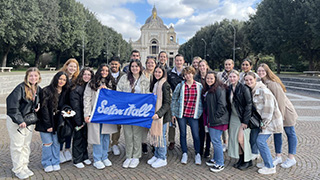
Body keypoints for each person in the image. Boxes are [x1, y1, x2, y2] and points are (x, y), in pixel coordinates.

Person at [257, 63, 298, 168]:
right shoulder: (262, 82)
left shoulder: (273, 84)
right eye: (259, 71)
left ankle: (291, 158)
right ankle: (278, 156)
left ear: (267, 71)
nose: (261, 72)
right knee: (277, 133)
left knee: (290, 133)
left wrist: (280, 117)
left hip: (285, 112)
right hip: (277, 113)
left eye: (263, 71)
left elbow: (280, 101)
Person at [244, 72, 283, 175]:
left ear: (255, 79)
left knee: (260, 141)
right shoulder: (252, 90)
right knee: (259, 141)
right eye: (246, 80)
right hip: (264, 121)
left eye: (250, 80)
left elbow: (269, 109)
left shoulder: (263, 90)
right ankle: (267, 161)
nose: (248, 82)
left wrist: (263, 124)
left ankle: (270, 166)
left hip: (270, 121)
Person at [6, 67, 41, 179]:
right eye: (31, 75)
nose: (33, 78)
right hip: (17, 121)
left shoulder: (37, 88)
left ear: (39, 77)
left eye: (35, 75)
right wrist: (19, 120)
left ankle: (24, 166)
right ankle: (17, 169)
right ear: (26, 77)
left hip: (28, 121)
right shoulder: (20, 88)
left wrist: (36, 107)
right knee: (17, 146)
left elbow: (32, 103)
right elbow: (12, 105)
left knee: (26, 145)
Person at [117, 59, 150, 168]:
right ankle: (128, 156)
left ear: (140, 67)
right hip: (126, 111)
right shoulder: (123, 78)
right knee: (127, 134)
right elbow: (118, 92)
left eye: (136, 66)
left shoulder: (145, 80)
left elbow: (147, 95)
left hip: (138, 111)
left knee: (137, 134)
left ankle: (136, 156)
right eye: (132, 66)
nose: (134, 68)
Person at [83, 64, 118, 170]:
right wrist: (86, 114)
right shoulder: (91, 83)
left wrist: (107, 90)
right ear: (99, 71)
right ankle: (97, 158)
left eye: (107, 70)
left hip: (107, 114)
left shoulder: (111, 83)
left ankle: (104, 156)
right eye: (102, 70)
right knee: (97, 137)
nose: (104, 72)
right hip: (95, 113)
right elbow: (87, 99)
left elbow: (115, 97)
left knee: (106, 136)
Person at [35, 71, 70, 173]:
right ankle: (47, 163)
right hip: (46, 122)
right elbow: (44, 109)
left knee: (56, 143)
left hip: (58, 122)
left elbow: (66, 105)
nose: (61, 81)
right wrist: (48, 125)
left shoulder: (65, 92)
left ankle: (55, 162)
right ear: (56, 78)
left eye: (64, 79)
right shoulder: (47, 90)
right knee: (47, 143)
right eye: (60, 79)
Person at [171, 66, 203, 165]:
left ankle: (197, 153)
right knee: (183, 134)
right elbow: (174, 99)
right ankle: (184, 152)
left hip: (193, 114)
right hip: (182, 114)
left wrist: (200, 112)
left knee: (195, 135)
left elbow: (202, 101)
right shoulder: (180, 86)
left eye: (189, 73)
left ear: (193, 74)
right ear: (184, 76)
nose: (188, 76)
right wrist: (173, 113)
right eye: (185, 74)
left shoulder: (199, 86)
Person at [202, 71, 229, 172]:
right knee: (215, 140)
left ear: (215, 79)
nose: (209, 80)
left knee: (216, 141)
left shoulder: (219, 89)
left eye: (211, 78)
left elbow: (222, 105)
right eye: (207, 78)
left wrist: (215, 118)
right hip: (212, 119)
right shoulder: (209, 89)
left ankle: (220, 163)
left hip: (218, 120)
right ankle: (216, 159)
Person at [227, 70, 253, 170]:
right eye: (230, 77)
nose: (232, 79)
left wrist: (245, 121)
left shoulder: (244, 88)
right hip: (233, 116)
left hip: (242, 117)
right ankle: (241, 159)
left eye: (234, 77)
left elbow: (249, 105)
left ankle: (248, 160)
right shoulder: (229, 88)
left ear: (238, 77)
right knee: (235, 140)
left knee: (241, 139)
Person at [147, 65, 172, 168]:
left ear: (163, 73)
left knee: (161, 136)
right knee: (156, 135)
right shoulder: (156, 84)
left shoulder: (165, 85)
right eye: (156, 72)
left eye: (159, 72)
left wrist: (159, 113)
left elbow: (167, 103)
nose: (157, 74)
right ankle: (157, 155)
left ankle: (162, 157)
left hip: (162, 116)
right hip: (155, 114)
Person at [69, 67, 94, 168]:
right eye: (85, 74)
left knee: (85, 138)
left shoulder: (89, 86)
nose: (86, 76)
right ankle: (77, 159)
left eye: (89, 75)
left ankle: (84, 156)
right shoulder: (76, 88)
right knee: (78, 138)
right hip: (78, 118)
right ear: (81, 75)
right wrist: (79, 121)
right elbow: (76, 107)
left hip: (86, 117)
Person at [59, 58, 80, 163]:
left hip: (72, 107)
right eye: (71, 66)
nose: (72, 68)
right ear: (66, 66)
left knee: (70, 129)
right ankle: (60, 150)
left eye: (75, 67)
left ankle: (67, 149)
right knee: (62, 129)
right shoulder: (61, 76)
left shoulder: (76, 79)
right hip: (62, 106)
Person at [167, 54, 185, 150]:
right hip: (173, 100)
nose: (178, 62)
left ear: (183, 61)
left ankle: (183, 141)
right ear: (175, 61)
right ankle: (171, 141)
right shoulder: (170, 73)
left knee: (183, 122)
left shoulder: (186, 72)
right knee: (172, 122)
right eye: (177, 60)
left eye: (180, 60)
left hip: (184, 101)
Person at [194, 59, 211, 157]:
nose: (202, 68)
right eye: (200, 66)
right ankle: (200, 149)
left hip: (209, 108)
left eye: (203, 66)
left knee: (208, 130)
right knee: (201, 129)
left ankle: (207, 149)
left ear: (207, 66)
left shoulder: (211, 76)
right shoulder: (196, 78)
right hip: (199, 107)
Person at [217, 59, 235, 151]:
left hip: (232, 101)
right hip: (223, 100)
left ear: (233, 65)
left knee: (232, 125)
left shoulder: (235, 74)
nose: (227, 66)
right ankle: (225, 142)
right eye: (226, 64)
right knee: (223, 124)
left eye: (229, 64)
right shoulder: (220, 75)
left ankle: (232, 143)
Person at [109, 56, 125, 156]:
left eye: (116, 64)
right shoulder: (105, 74)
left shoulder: (124, 75)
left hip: (119, 103)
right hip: (108, 103)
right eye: (112, 64)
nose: (114, 66)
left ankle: (115, 143)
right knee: (106, 124)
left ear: (119, 65)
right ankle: (106, 144)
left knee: (117, 125)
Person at [142, 56, 157, 154]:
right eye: (148, 63)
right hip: (144, 103)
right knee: (144, 125)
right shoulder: (142, 74)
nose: (150, 65)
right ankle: (143, 143)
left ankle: (154, 144)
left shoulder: (158, 73)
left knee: (155, 125)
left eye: (152, 63)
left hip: (155, 103)